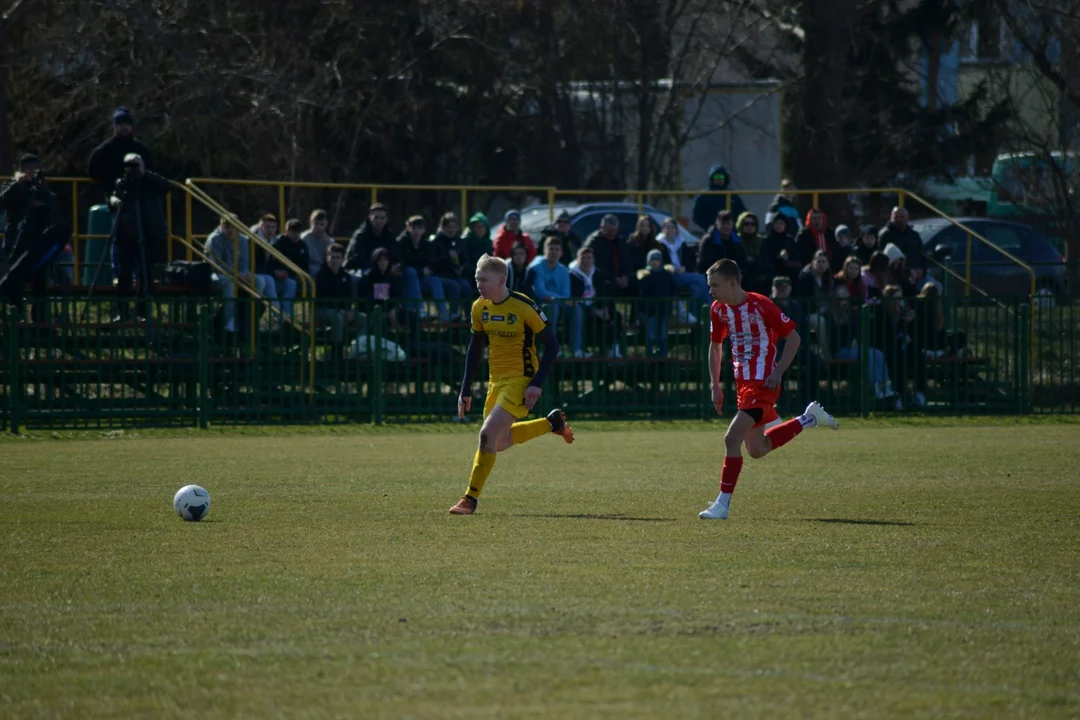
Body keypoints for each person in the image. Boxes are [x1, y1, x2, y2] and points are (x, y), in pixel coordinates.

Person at [698, 259, 839, 520]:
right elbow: (715, 346)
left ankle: (722, 505)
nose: (711, 291)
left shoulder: (761, 305)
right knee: (757, 449)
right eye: (710, 286)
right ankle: (809, 418)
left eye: (715, 285)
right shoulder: (718, 310)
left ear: (732, 283)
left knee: (731, 439)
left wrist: (778, 371)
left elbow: (794, 337)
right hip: (744, 385)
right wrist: (714, 384)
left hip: (763, 382)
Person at [448, 254, 575, 515]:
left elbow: (553, 346)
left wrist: (536, 384)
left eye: (483, 279)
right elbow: (475, 348)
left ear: (501, 280)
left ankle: (470, 499)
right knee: (498, 442)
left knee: (486, 436)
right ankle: (552, 423)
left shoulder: (524, 306)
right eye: (476, 279)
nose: (478, 284)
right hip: (496, 381)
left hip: (522, 379)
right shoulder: (479, 307)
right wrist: (465, 389)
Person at [0, 154, 70, 320]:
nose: (32, 172)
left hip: (38, 242)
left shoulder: (43, 191)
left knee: (40, 283)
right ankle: (17, 318)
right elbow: (2, 202)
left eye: (35, 168)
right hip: (15, 240)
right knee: (14, 280)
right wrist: (18, 185)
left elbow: (53, 213)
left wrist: (42, 202)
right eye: (28, 168)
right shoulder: (14, 186)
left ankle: (41, 321)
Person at [109, 153, 170, 322]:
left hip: (148, 233)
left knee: (145, 274)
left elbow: (167, 186)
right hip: (126, 234)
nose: (132, 169)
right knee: (124, 274)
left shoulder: (150, 181)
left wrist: (145, 174)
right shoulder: (123, 183)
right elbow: (112, 195)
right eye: (129, 165)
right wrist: (115, 201)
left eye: (136, 165)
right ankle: (122, 312)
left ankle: (142, 312)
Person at [87, 107, 154, 195]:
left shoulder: (140, 149)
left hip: (138, 194)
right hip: (113, 193)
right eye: (120, 124)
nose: (124, 127)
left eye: (127, 124)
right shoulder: (105, 149)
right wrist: (111, 180)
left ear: (131, 126)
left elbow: (150, 169)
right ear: (115, 127)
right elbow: (93, 171)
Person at [656, 217, 710, 320]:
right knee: (702, 279)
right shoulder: (659, 244)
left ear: (676, 230)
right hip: (670, 276)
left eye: (672, 227)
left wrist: (684, 267)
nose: (670, 230)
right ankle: (708, 311)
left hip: (683, 274)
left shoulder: (681, 243)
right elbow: (659, 263)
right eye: (667, 227)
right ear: (663, 229)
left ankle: (694, 318)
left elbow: (690, 262)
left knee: (696, 287)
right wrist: (672, 268)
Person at [315, 244, 363, 356]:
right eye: (332, 257)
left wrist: (349, 310)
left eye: (338, 258)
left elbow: (349, 296)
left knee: (364, 319)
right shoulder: (321, 276)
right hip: (322, 309)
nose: (335, 260)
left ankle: (359, 352)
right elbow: (322, 298)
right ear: (327, 258)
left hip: (342, 310)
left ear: (342, 259)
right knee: (338, 318)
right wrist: (341, 310)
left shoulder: (346, 276)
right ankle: (337, 353)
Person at [583, 214, 635, 298]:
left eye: (615, 231)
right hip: (603, 278)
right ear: (602, 228)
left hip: (620, 277)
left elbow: (627, 261)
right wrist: (614, 278)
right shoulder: (593, 242)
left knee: (635, 283)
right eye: (609, 231)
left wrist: (626, 276)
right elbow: (595, 265)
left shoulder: (620, 241)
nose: (612, 234)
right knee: (605, 286)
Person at [265, 218, 308, 318]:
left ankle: (311, 320)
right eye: (293, 231)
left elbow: (305, 266)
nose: (296, 234)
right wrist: (277, 273)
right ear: (287, 231)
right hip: (277, 279)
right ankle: (286, 318)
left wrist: (302, 275)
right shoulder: (278, 243)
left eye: (298, 231)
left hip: (296, 277)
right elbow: (272, 265)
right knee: (291, 283)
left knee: (310, 283)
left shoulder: (303, 245)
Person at [528, 235, 572, 332]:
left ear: (561, 253)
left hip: (559, 304)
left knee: (577, 309)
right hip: (538, 306)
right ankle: (551, 345)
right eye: (550, 249)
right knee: (553, 308)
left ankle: (577, 347)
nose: (554, 252)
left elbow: (566, 294)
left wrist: (553, 299)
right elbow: (541, 293)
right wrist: (559, 299)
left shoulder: (564, 270)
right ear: (544, 251)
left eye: (557, 249)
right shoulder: (536, 267)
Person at [639, 249, 677, 357]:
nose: (654, 262)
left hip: (664, 310)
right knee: (650, 335)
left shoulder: (667, 275)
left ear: (661, 261)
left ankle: (663, 356)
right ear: (648, 262)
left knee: (662, 335)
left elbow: (674, 288)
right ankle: (650, 357)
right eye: (652, 260)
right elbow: (642, 294)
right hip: (650, 311)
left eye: (657, 260)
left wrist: (673, 299)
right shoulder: (645, 276)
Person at [692, 164, 746, 232]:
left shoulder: (732, 195)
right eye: (716, 176)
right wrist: (708, 227)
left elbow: (742, 213)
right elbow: (696, 216)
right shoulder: (704, 196)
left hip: (731, 232)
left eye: (721, 176)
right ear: (712, 178)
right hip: (712, 232)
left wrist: (735, 227)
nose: (719, 179)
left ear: (725, 178)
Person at [696, 210, 748, 274]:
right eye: (723, 224)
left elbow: (742, 263)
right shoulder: (708, 241)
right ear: (717, 223)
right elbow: (703, 264)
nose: (726, 227)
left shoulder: (738, 242)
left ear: (732, 224)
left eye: (728, 224)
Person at [760, 214, 802, 285]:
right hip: (772, 271)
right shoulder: (767, 240)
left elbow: (796, 256)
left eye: (781, 223)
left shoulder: (790, 240)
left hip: (788, 272)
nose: (779, 225)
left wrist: (787, 254)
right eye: (776, 223)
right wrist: (778, 256)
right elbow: (765, 257)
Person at [302, 209, 334, 277]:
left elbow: (332, 260)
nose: (319, 227)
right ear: (310, 223)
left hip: (324, 268)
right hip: (308, 268)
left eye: (322, 224)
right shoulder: (303, 238)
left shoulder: (329, 241)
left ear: (326, 224)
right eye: (316, 224)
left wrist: (327, 245)